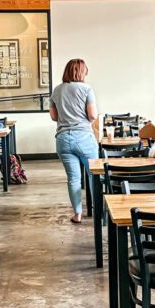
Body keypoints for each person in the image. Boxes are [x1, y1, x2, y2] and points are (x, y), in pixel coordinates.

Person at [50, 58, 99, 224]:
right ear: (81, 72)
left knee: (73, 178)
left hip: (63, 139)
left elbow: (54, 116)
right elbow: (92, 115)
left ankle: (77, 214)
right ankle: (99, 212)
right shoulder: (86, 89)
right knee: (94, 176)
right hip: (84, 137)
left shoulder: (56, 90)